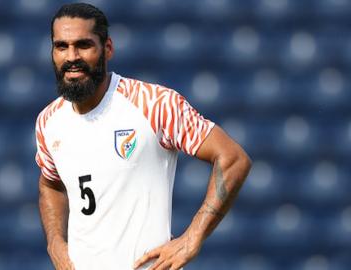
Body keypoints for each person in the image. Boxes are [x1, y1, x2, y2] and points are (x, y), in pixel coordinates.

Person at [35, 3, 252, 270]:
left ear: (108, 48)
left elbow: (233, 158)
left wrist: (193, 237)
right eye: (61, 46)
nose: (72, 57)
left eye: (83, 45)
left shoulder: (153, 104)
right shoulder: (49, 121)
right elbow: (51, 183)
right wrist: (55, 242)